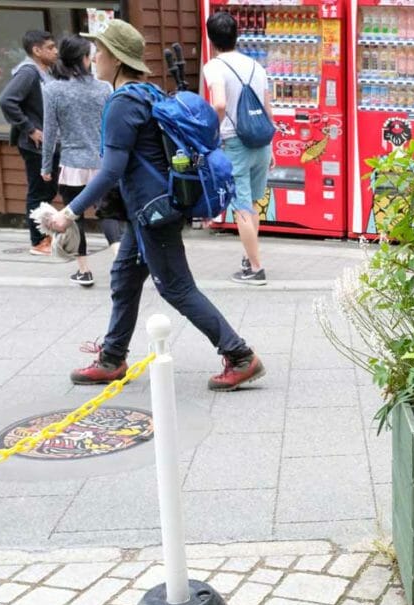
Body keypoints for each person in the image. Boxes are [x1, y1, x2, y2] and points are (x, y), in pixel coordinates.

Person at [47, 20, 265, 391]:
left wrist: (68, 213)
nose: (94, 57)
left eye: (100, 51)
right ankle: (113, 357)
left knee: (176, 287)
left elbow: (112, 169)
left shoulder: (121, 103)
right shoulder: (147, 93)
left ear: (116, 59)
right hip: (154, 206)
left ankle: (240, 355)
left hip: (152, 211)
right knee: (124, 277)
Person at [41, 35, 123, 286]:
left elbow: (50, 131)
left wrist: (45, 166)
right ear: (85, 59)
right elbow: (112, 125)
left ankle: (84, 270)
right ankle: (120, 262)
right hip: (102, 163)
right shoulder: (104, 88)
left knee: (73, 218)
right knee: (108, 214)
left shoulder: (53, 89)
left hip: (72, 164)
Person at [202, 10, 273, 286]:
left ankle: (256, 268)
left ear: (211, 39)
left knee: (241, 207)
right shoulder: (256, 66)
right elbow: (268, 109)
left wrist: (212, 130)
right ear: (237, 36)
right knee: (252, 204)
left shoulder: (214, 66)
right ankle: (249, 257)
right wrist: (272, 146)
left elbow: (219, 103)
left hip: (235, 143)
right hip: (261, 141)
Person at [0, 30, 59, 256]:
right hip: (34, 144)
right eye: (51, 47)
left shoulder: (46, 71)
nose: (55, 51)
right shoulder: (28, 72)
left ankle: (47, 235)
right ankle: (38, 241)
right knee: (38, 191)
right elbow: (6, 101)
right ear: (37, 50)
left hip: (49, 142)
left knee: (48, 189)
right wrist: (30, 129)